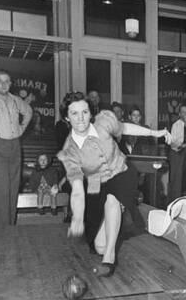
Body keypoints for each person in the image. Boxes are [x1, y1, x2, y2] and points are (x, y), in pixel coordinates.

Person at [57, 92, 171, 277]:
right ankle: (113, 234)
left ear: (90, 112)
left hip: (122, 173)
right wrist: (77, 218)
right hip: (96, 186)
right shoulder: (69, 151)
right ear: (66, 117)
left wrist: (154, 132)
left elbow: (125, 127)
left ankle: (109, 259)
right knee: (99, 246)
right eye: (74, 113)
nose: (81, 118)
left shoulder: (103, 122)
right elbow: (77, 189)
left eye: (84, 112)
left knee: (113, 197)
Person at [0, 70, 33, 227]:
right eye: (0, 81)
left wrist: (21, 130)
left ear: (11, 83)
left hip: (14, 146)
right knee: (3, 189)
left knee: (12, 189)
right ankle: (1, 231)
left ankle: (10, 229)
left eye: (7, 81)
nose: (4, 84)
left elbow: (29, 112)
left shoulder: (15, 100)